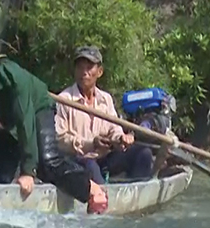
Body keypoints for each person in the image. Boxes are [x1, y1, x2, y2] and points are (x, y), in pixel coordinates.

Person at [0, 38, 108, 213]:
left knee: (47, 162)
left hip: (36, 109)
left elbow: (25, 122)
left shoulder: (14, 80)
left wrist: (28, 172)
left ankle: (92, 189)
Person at [55, 46, 155, 184]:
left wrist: (121, 138)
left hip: (104, 159)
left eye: (89, 67)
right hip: (78, 161)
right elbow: (59, 140)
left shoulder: (105, 99)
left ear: (99, 72)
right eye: (80, 67)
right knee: (89, 165)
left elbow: (115, 128)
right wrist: (91, 143)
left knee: (143, 153)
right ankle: (103, 197)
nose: (84, 72)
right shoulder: (64, 100)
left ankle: (135, 192)